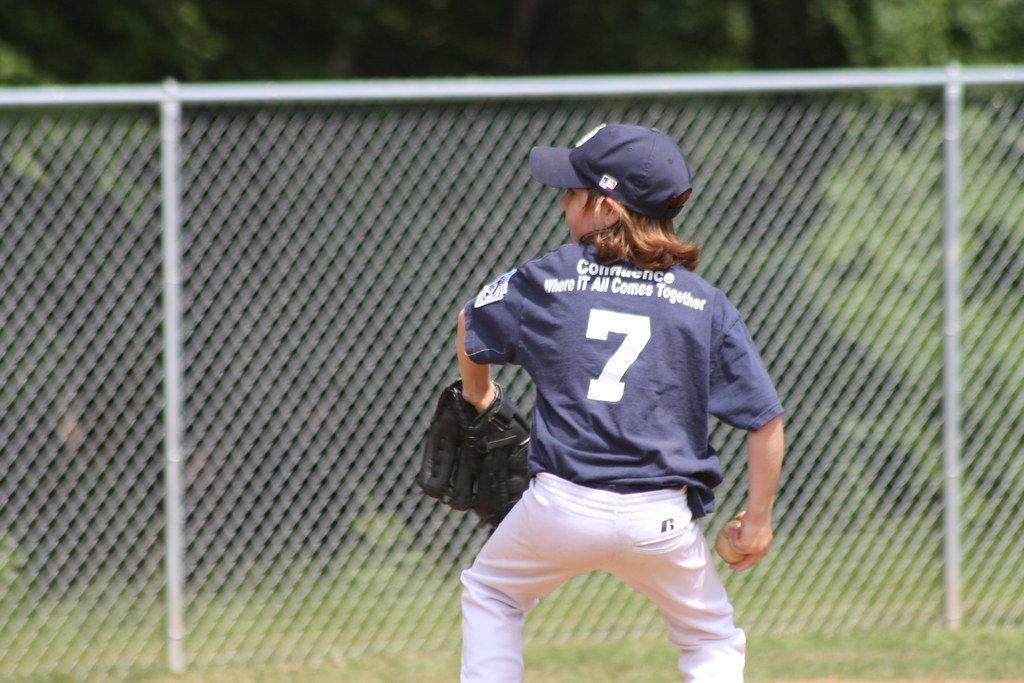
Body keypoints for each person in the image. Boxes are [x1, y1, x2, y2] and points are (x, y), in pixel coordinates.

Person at [455, 123, 785, 682]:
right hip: (660, 520)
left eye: (572, 191)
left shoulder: (549, 278)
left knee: (493, 594)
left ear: (608, 208)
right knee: (710, 638)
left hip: (560, 505)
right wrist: (756, 523)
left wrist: (479, 393)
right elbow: (765, 422)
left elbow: (471, 321)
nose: (563, 203)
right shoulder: (703, 303)